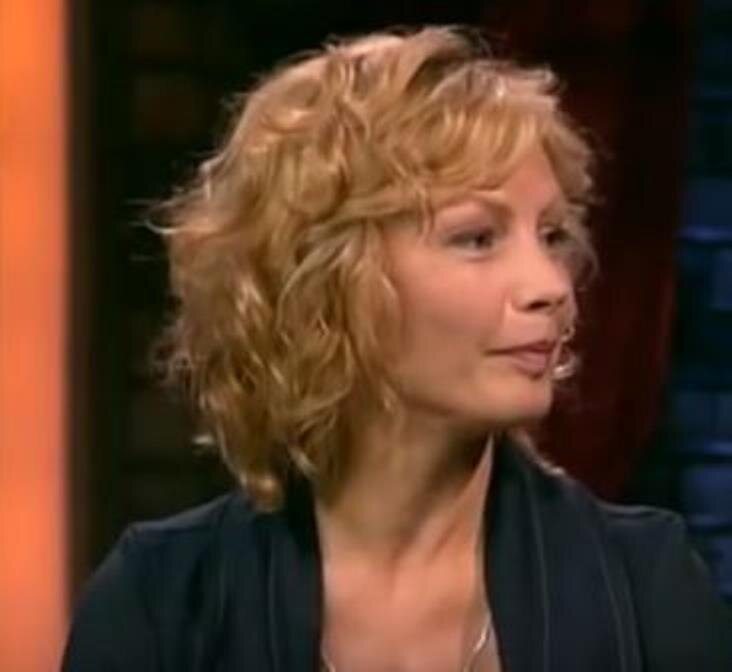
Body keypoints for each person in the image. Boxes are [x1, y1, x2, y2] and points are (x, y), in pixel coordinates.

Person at [61, 26, 731, 672]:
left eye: (552, 236)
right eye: (477, 238)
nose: (551, 286)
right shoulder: (162, 605)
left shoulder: (645, 589)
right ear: (330, 281)